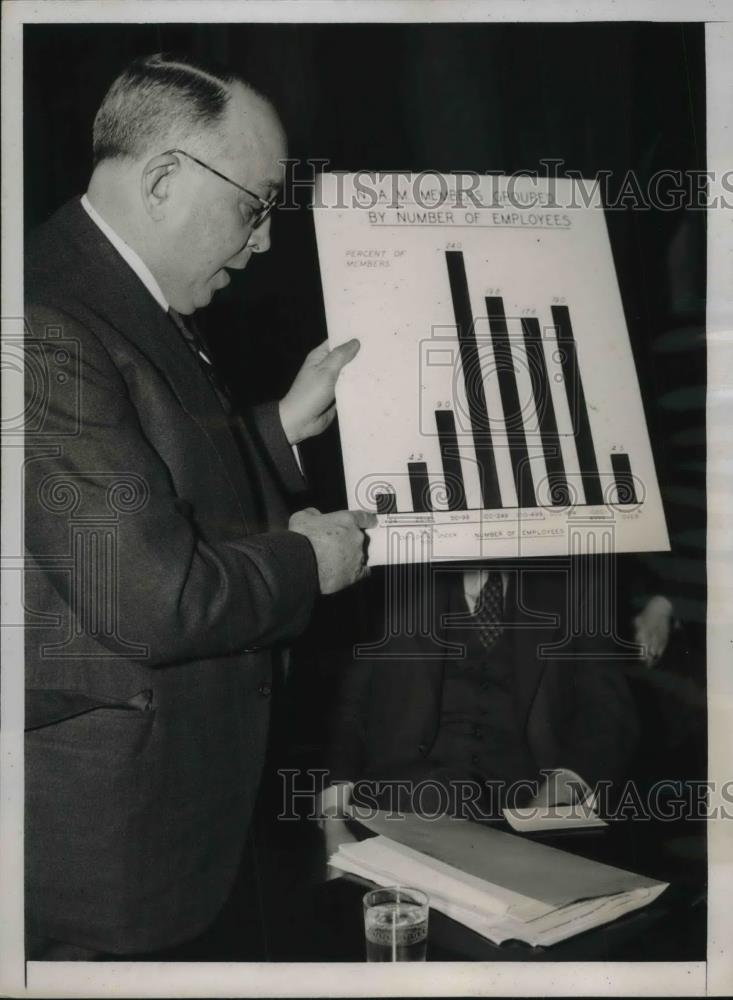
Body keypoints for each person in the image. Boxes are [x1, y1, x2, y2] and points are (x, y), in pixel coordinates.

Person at [23, 52, 375, 959]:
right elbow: (151, 595)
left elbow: (139, 477)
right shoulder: (47, 321)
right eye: (254, 206)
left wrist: (279, 428)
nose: (262, 242)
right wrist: (313, 559)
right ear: (166, 179)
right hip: (109, 862)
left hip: (175, 821)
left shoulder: (101, 290)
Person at [319, 558, 640, 857]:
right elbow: (350, 705)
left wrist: (545, 806)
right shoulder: (392, 571)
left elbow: (607, 713)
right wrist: (334, 825)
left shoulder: (578, 579)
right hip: (402, 802)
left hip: (519, 811)